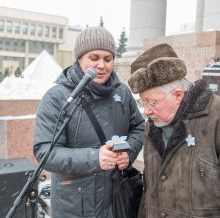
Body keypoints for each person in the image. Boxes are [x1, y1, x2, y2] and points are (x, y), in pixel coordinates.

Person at [33, 26, 144, 218]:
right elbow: (45, 152)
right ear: (79, 58)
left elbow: (138, 127)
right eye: (94, 58)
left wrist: (129, 152)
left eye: (108, 59)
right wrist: (94, 158)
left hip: (117, 199)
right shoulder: (57, 97)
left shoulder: (122, 93)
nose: (102, 65)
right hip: (76, 206)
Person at [128, 43, 220, 218]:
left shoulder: (216, 117)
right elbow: (148, 192)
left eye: (152, 102)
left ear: (178, 95)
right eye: (143, 102)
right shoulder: (151, 126)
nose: (146, 111)